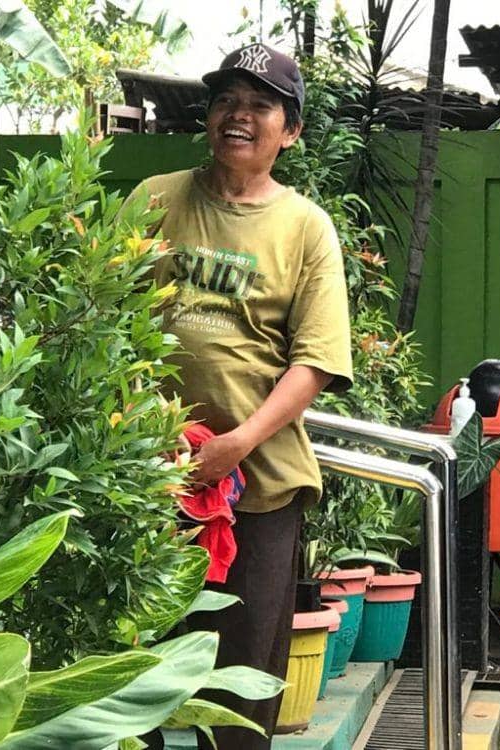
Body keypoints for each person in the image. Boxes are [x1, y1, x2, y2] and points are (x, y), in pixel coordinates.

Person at [127, 44, 353, 748]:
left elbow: (314, 363)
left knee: (239, 684)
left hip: (258, 488)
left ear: (290, 131)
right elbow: (102, 318)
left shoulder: (306, 227)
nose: (239, 115)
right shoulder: (154, 200)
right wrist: (144, 428)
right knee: (141, 674)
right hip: (147, 476)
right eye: (227, 99)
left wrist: (235, 445)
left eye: (260, 105)